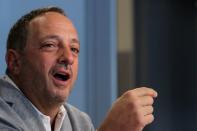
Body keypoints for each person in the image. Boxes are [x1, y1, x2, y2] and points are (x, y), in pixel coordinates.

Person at [0, 6, 158, 131]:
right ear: (15, 62)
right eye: (50, 45)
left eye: (74, 49)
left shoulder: (79, 121)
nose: (68, 58)